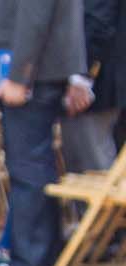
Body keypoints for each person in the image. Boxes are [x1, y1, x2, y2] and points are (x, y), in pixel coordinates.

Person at [0, 0, 89, 266]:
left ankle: (30, 261)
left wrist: (19, 76)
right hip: (30, 69)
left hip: (32, 72)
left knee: (28, 165)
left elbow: (35, 15)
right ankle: (37, 255)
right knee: (29, 163)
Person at [62, 0, 121, 173]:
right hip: (89, 75)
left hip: (95, 82)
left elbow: (98, 20)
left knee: (93, 171)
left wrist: (81, 78)